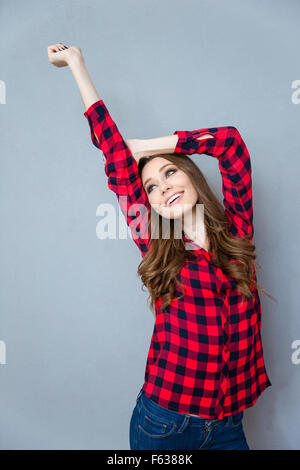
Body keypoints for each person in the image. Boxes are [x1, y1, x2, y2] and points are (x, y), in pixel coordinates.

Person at [47, 43, 274, 450]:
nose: (163, 186)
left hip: (228, 425)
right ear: (147, 203)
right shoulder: (159, 241)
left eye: (170, 172)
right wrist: (77, 64)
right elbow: (115, 159)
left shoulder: (236, 227)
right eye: (151, 186)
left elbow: (231, 143)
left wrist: (149, 148)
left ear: (190, 175)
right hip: (166, 423)